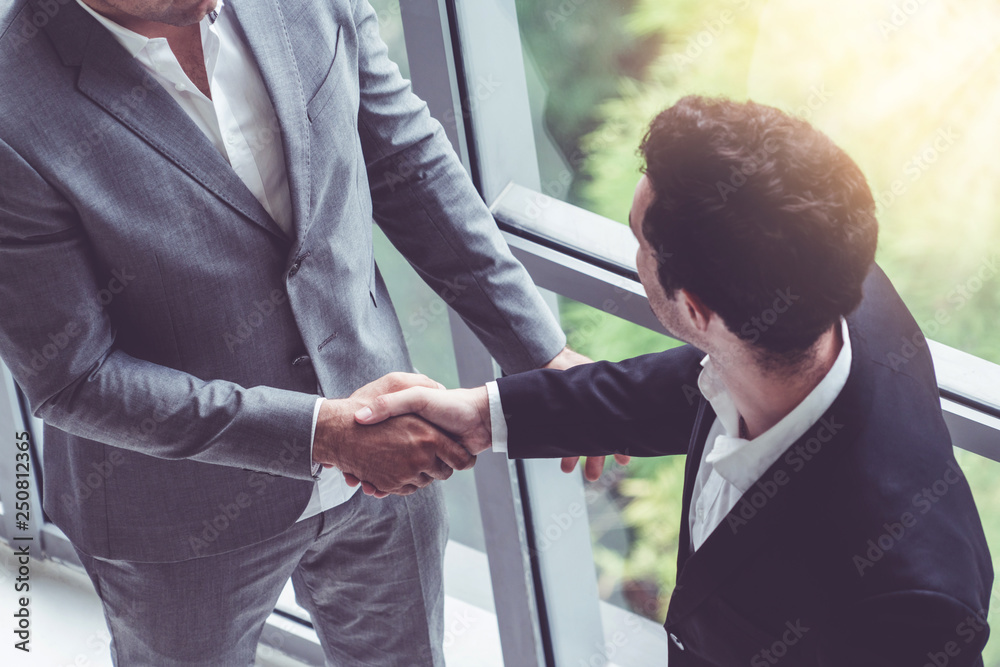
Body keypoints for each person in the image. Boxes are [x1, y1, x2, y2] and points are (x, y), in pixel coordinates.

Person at [0, 0, 604, 663]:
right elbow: (76, 377)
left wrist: (538, 348)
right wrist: (325, 434)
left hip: (383, 456)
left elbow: (408, 164)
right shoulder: (13, 108)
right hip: (179, 513)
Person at [354, 96, 994, 665]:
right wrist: (484, 414)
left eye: (637, 241)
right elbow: (700, 382)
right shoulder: (819, 286)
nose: (630, 253)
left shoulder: (910, 593)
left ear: (694, 310)